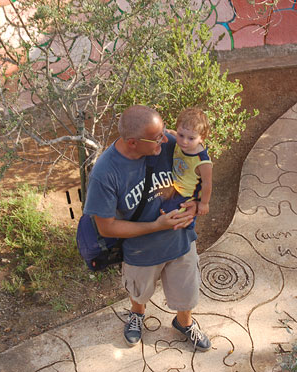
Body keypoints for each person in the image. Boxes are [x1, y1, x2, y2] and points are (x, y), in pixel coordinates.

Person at [83, 105, 212, 352]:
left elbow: (201, 166)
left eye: (164, 132)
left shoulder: (172, 142)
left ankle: (184, 323)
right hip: (141, 252)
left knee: (186, 293)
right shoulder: (105, 174)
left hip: (180, 242)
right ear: (133, 142)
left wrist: (197, 204)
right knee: (139, 293)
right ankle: (136, 315)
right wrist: (156, 225)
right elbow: (107, 227)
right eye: (157, 138)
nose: (166, 139)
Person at [161, 108, 213, 229]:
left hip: (187, 194)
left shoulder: (202, 161)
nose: (184, 141)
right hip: (175, 186)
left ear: (202, 138)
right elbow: (173, 133)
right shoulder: (180, 143)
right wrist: (166, 131)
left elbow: (207, 184)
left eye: (191, 138)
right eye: (181, 135)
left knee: (169, 215)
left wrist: (204, 203)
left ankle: (189, 227)